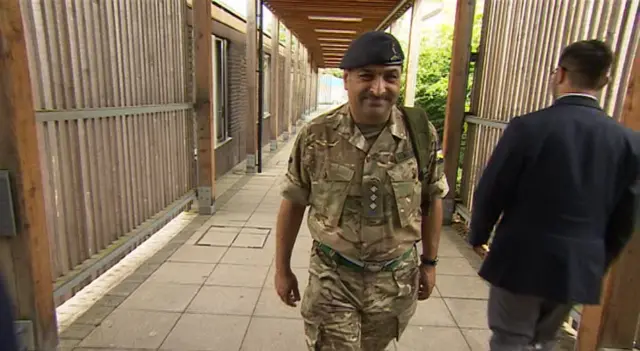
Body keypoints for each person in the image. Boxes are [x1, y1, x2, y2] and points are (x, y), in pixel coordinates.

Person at [273, 31, 449, 350]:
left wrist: (430, 263)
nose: (379, 89)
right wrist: (282, 269)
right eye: (366, 76)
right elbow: (293, 202)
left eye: (390, 77)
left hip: (395, 282)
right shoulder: (316, 135)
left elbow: (433, 199)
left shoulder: (421, 134)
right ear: (347, 79)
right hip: (333, 278)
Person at [468, 39, 640, 351]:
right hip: (577, 264)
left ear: (559, 74)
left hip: (521, 258)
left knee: (511, 337)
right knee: (545, 340)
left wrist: (478, 233)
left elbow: (493, 189)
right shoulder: (628, 143)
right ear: (604, 81)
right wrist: (598, 260)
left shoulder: (529, 128)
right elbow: (626, 216)